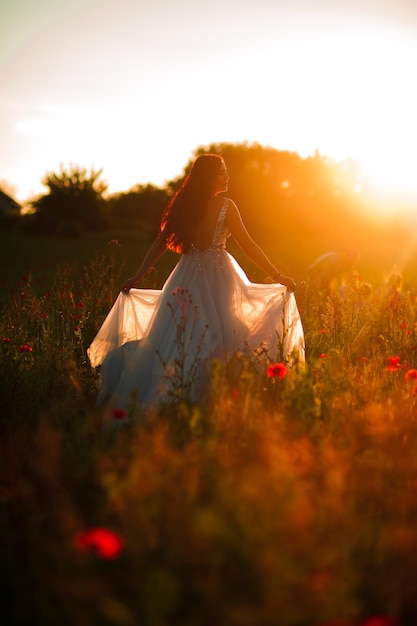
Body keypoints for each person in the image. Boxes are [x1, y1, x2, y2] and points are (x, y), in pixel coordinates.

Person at [88, 154, 305, 414]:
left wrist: (138, 276)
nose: (227, 177)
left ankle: (191, 393)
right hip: (220, 277)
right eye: (222, 172)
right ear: (209, 177)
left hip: (187, 274)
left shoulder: (184, 206)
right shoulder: (225, 205)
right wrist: (277, 274)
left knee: (185, 335)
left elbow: (160, 244)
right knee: (221, 336)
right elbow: (247, 244)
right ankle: (207, 398)